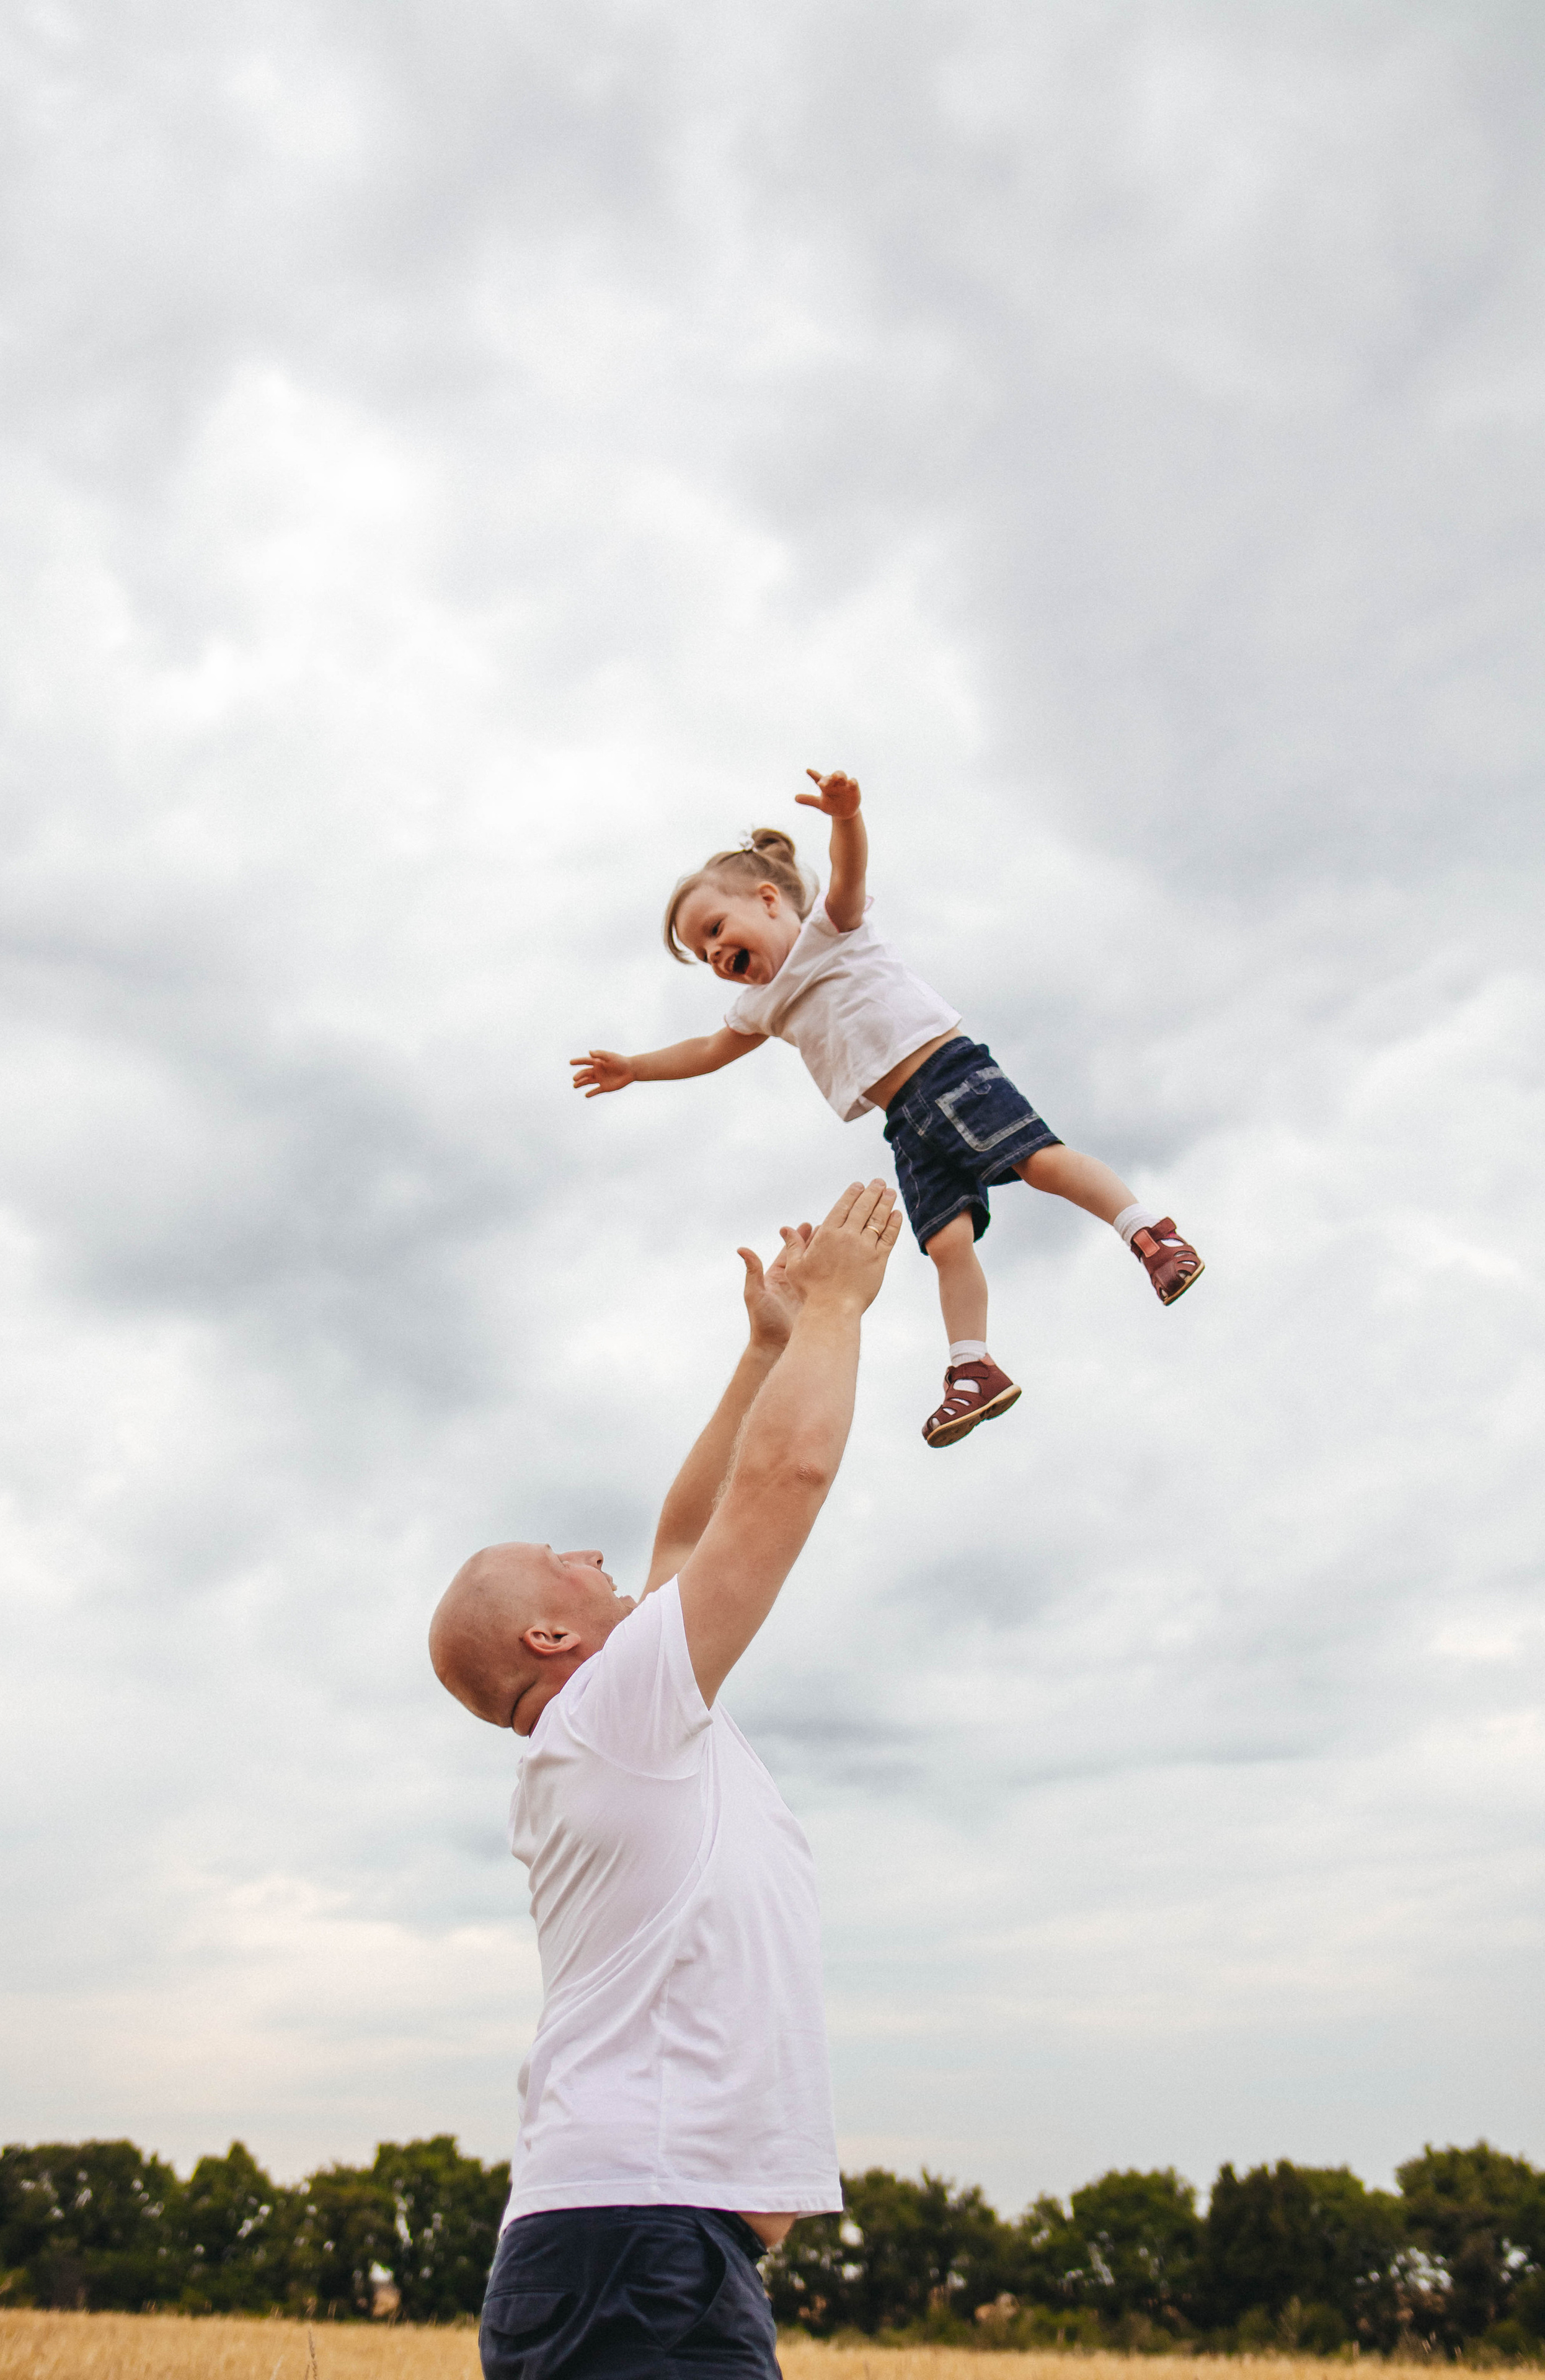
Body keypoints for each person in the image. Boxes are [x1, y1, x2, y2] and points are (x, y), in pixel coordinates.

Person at [430, 1178, 903, 2380]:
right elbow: (774, 1489)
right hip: (638, 2243)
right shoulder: (612, 1714)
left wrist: (761, 1350)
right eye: (560, 1559)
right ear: (548, 1639)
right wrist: (840, 1309)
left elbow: (684, 1537)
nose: (592, 1554)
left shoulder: (605, 1726)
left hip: (637, 2242)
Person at [570, 770, 1204, 1450]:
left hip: (946, 1070)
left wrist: (846, 817)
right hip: (902, 1119)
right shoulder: (759, 1007)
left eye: (716, 929)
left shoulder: (830, 930)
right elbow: (707, 1049)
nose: (716, 954)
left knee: (1037, 1161)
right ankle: (973, 1367)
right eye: (703, 955)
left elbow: (847, 871)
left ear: (769, 900)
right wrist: (636, 1069)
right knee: (945, 1243)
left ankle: (1149, 1233)